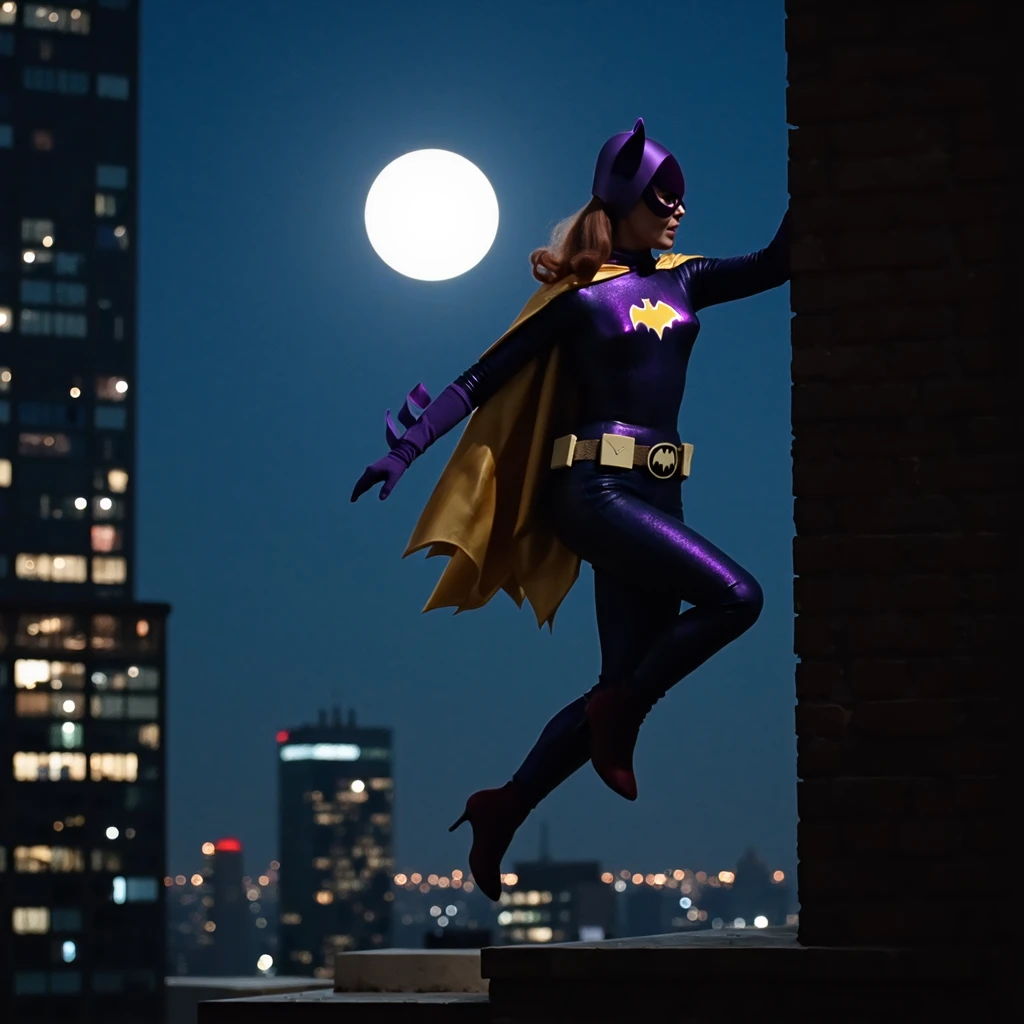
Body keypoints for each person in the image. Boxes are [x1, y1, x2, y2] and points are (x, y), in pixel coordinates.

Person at [351, 118, 789, 901]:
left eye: (682, 199)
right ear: (621, 202)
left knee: (617, 676)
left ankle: (506, 803)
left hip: (660, 491)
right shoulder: (577, 300)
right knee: (737, 597)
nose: (677, 211)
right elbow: (481, 378)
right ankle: (620, 713)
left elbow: (776, 263)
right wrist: (406, 447)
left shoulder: (685, 279)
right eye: (662, 198)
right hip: (593, 492)